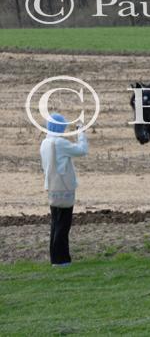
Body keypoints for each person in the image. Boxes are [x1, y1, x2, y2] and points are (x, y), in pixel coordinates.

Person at [40, 113, 88, 266]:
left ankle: (56, 259)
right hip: (64, 188)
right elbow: (82, 150)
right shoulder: (59, 143)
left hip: (52, 187)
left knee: (56, 223)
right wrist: (81, 132)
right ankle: (61, 260)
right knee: (63, 225)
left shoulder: (45, 143)